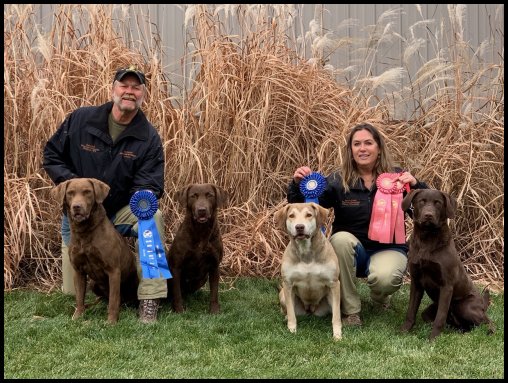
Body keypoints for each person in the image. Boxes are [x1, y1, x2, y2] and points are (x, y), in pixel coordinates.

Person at [43, 66, 167, 323]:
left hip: (120, 209)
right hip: (80, 211)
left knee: (152, 217)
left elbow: (150, 185)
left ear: (143, 94)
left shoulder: (148, 137)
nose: (129, 92)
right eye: (124, 86)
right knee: (70, 290)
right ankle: (101, 288)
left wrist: (119, 209)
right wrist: (76, 190)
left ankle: (150, 298)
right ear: (113, 89)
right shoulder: (80, 120)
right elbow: (52, 155)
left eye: (136, 87)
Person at [287, 122, 428, 326]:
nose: (362, 148)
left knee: (385, 278)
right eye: (357, 144)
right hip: (351, 251)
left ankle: (381, 297)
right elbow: (306, 207)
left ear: (379, 148)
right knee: (339, 239)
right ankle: (351, 311)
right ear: (350, 150)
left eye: (368, 143)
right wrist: (297, 184)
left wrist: (416, 186)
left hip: (388, 248)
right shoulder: (338, 179)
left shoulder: (397, 178)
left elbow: (422, 209)